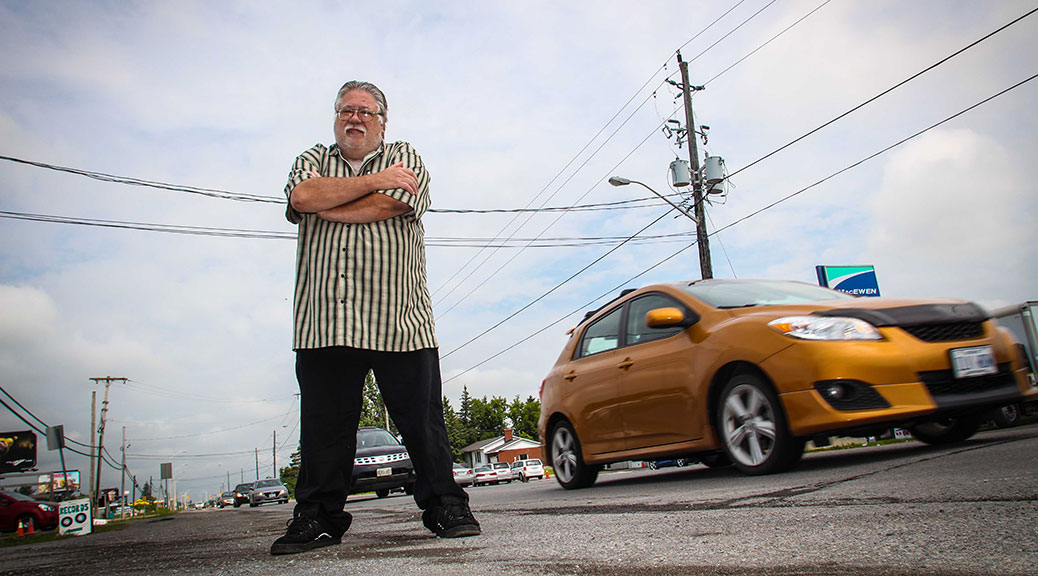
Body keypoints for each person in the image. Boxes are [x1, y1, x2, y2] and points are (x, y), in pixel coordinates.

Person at [271, 80, 479, 556]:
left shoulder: (406, 155)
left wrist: (333, 205)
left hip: (399, 317)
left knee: (423, 424)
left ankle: (447, 507)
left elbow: (396, 202)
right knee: (324, 429)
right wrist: (366, 183)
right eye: (347, 110)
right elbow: (303, 198)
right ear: (336, 118)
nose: (356, 118)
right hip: (326, 321)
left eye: (366, 111)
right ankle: (318, 518)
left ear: (383, 121)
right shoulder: (310, 160)